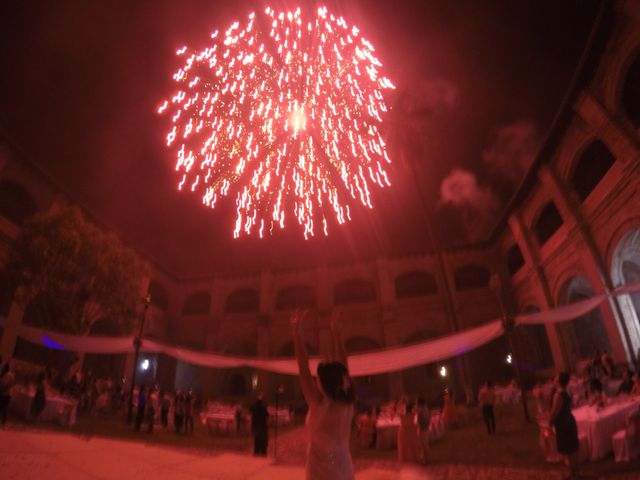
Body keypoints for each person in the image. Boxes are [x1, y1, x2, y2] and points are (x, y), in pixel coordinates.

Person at [291, 309, 355, 480]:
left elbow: (303, 367)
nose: (315, 380)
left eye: (317, 379)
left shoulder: (319, 405)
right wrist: (336, 333)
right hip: (344, 467)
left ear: (324, 384)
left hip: (321, 471)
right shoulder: (346, 402)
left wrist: (297, 335)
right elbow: (344, 367)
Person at [550, 372, 579, 480]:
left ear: (558, 381)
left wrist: (549, 421)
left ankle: (572, 473)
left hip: (563, 423)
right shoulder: (567, 391)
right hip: (569, 420)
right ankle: (575, 472)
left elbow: (555, 411)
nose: (554, 380)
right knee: (573, 447)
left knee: (568, 449)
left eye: (556, 378)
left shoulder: (559, 395)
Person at [0, 362, 15, 427]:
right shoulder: (7, 374)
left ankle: (3, 422)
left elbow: (5, 385)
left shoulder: (8, 375)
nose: (2, 368)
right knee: (3, 408)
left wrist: (2, 389)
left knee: (4, 408)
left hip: (6, 394)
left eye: (3, 367)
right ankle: (3, 421)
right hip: (5, 393)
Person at [416, 397, 431, 464]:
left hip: (422, 429)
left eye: (417, 402)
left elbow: (421, 420)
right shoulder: (425, 409)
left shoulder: (421, 410)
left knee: (423, 445)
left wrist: (420, 426)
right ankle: (425, 458)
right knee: (424, 444)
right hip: (425, 428)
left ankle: (426, 459)